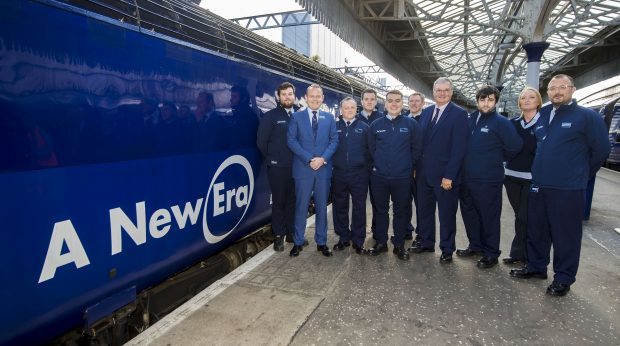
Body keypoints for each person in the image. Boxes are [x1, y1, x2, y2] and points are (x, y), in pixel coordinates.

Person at [510, 74, 609, 296]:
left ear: (572, 89)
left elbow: (601, 150)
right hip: (539, 184)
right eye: (553, 88)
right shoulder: (543, 114)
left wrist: (581, 174)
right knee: (537, 229)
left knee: (565, 235)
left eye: (562, 87)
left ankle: (563, 277)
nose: (557, 91)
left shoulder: (586, 117)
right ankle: (536, 267)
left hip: (568, 188)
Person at [458, 85, 522, 268]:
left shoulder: (501, 123)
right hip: (467, 177)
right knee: (469, 213)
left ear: (496, 101)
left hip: (488, 179)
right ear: (477, 101)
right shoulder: (470, 119)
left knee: (489, 217)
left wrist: (497, 160)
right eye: (482, 99)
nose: (486, 103)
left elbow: (515, 146)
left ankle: (491, 252)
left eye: (490, 100)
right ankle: (475, 245)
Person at [410, 77, 468, 263]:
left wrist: (449, 175)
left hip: (445, 177)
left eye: (445, 90)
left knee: (446, 214)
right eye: (438, 90)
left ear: (451, 92)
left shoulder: (459, 114)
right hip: (424, 174)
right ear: (433, 92)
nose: (442, 93)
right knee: (424, 211)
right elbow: (419, 144)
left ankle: (447, 248)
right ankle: (427, 242)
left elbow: (459, 148)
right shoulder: (426, 112)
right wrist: (415, 168)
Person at [366, 90, 421, 260]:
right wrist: (380, 165)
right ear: (385, 103)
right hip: (380, 177)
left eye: (397, 101)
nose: (394, 104)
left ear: (402, 103)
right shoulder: (375, 125)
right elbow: (371, 149)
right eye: (390, 101)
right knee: (381, 211)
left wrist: (406, 166)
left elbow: (416, 149)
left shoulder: (411, 124)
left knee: (401, 211)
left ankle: (399, 244)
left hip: (402, 177)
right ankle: (381, 242)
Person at [287, 84, 339, 257]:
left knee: (322, 208)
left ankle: (322, 242)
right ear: (306, 97)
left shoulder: (330, 118)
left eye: (318, 96)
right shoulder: (296, 117)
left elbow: (334, 141)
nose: (315, 99)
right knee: (301, 207)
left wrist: (322, 159)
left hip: (323, 169)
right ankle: (298, 242)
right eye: (312, 96)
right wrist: (309, 159)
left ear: (322, 98)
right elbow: (292, 141)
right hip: (303, 169)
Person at [257, 82, 300, 251]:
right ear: (278, 97)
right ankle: (278, 236)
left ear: (294, 96)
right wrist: (272, 160)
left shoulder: (299, 116)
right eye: (284, 94)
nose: (287, 97)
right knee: (279, 202)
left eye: (290, 94)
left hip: (296, 167)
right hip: (278, 168)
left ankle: (291, 234)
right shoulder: (271, 116)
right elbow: (261, 142)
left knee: (292, 202)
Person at [502, 87, 542, 265]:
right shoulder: (512, 124)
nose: (527, 100)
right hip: (511, 177)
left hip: (532, 179)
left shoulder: (544, 123)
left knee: (527, 217)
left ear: (538, 101)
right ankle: (518, 253)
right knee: (520, 216)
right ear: (519, 102)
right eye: (523, 98)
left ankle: (528, 255)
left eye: (531, 97)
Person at [331, 97, 371, 255]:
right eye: (346, 107)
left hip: (359, 174)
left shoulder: (365, 128)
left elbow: (370, 151)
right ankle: (343, 238)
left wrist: (365, 170)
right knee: (339, 206)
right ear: (341, 109)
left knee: (359, 207)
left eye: (352, 107)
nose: (349, 110)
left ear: (357, 109)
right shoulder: (334, 127)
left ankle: (358, 240)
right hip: (339, 173)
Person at [356, 88, 382, 240]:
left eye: (372, 99)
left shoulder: (382, 118)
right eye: (367, 99)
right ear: (362, 101)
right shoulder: (355, 117)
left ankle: (377, 231)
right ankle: (358, 233)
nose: (369, 102)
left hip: (377, 168)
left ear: (376, 101)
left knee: (378, 202)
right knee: (359, 203)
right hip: (360, 168)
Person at [406, 92, 425, 243]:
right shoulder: (403, 120)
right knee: (404, 201)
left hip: (422, 170)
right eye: (411, 101)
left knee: (421, 203)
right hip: (405, 169)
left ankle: (421, 233)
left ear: (422, 103)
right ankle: (406, 229)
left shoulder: (428, 119)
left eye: (417, 101)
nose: (414, 104)